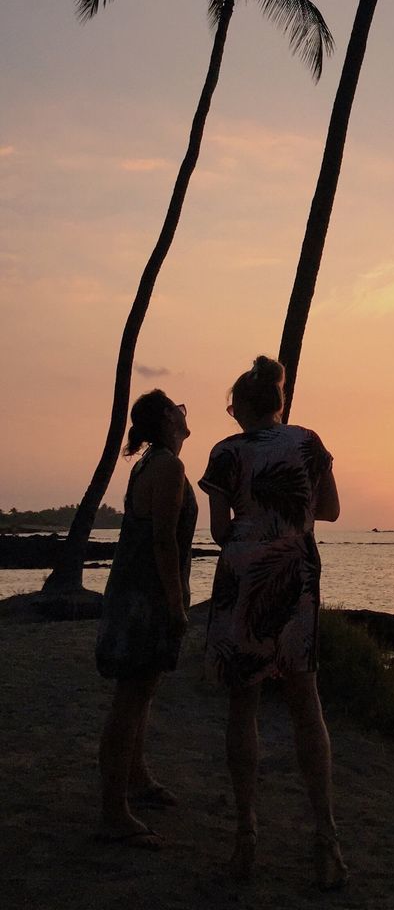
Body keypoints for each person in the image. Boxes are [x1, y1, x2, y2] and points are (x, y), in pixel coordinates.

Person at [199, 356, 346, 886]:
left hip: (244, 578)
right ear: (278, 404)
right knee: (307, 702)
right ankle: (326, 840)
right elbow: (328, 510)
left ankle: (246, 837)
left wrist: (252, 531)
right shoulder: (308, 442)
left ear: (238, 408)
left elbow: (218, 531)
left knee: (244, 704)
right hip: (297, 576)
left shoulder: (224, 453)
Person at [95, 390, 197, 847]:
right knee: (129, 698)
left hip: (134, 592)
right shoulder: (168, 467)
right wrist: (177, 608)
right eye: (179, 406)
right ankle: (115, 811)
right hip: (146, 599)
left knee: (143, 690)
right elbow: (163, 543)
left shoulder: (148, 462)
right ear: (166, 418)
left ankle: (136, 778)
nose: (184, 411)